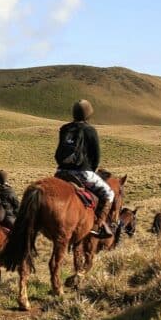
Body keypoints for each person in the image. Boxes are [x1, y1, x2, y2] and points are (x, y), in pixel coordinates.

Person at [54, 99, 114, 238]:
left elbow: (58, 152)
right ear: (88, 114)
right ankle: (98, 225)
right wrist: (90, 170)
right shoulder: (90, 130)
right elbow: (96, 156)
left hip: (61, 173)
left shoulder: (65, 129)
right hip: (83, 173)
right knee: (109, 193)